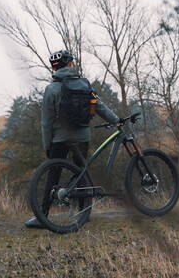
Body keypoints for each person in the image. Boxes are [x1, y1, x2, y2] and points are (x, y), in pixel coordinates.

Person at [25, 50, 120, 228]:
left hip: (60, 139)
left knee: (53, 175)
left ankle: (42, 216)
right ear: (70, 64)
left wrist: (47, 145)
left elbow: (46, 122)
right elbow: (99, 106)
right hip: (82, 136)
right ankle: (85, 213)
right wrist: (117, 120)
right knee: (81, 172)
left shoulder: (51, 89)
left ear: (54, 68)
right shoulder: (84, 85)